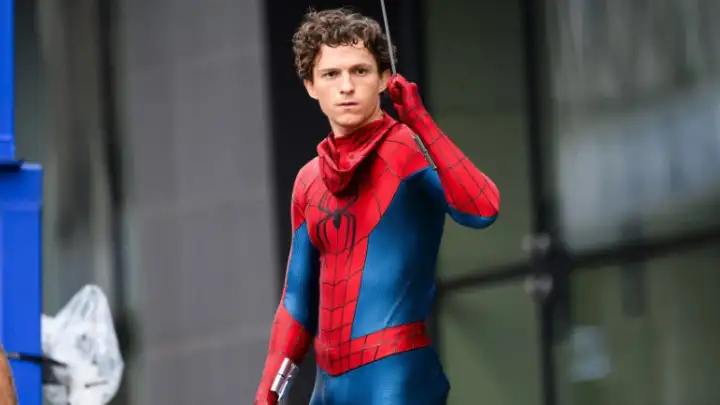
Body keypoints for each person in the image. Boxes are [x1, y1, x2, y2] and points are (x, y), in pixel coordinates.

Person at [255, 8, 500, 405]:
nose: (346, 87)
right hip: (328, 385)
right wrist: (268, 392)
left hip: (395, 373)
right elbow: (297, 302)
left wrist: (420, 121)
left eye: (360, 71)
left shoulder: (403, 148)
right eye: (331, 74)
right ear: (310, 86)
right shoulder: (308, 181)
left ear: (385, 78)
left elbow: (482, 208)